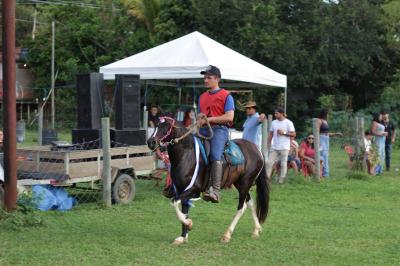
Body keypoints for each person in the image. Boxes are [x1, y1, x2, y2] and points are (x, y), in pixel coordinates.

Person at [197, 65, 235, 203]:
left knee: (214, 155)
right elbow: (201, 115)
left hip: (219, 129)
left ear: (217, 79)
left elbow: (230, 117)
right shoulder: (202, 97)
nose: (205, 80)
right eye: (204, 77)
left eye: (209, 77)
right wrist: (199, 119)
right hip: (203, 129)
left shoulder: (226, 95)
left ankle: (215, 190)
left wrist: (210, 119)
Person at [265, 107, 296, 184]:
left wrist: (284, 133)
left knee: (283, 164)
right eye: (275, 113)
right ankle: (266, 179)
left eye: (277, 113)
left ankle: (281, 180)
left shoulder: (288, 123)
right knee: (269, 162)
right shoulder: (273, 122)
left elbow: (294, 134)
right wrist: (267, 143)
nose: (275, 115)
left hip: (284, 147)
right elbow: (271, 134)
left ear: (282, 114)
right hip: (274, 146)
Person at [316, 109, 341, 178]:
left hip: (326, 139)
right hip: (321, 139)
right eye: (328, 114)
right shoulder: (319, 121)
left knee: (326, 155)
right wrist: (318, 142)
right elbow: (317, 132)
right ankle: (322, 173)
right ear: (324, 114)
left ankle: (326, 174)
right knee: (322, 156)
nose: (328, 116)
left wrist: (335, 134)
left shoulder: (325, 121)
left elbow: (326, 133)